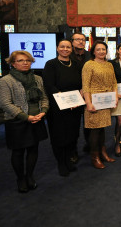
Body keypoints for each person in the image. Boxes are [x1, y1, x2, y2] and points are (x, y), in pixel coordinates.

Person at [0, 51, 49, 193]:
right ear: (13, 63)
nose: (25, 63)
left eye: (28, 60)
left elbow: (44, 98)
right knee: (18, 152)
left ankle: (30, 176)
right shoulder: (6, 80)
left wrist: (43, 111)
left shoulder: (38, 78)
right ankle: (20, 178)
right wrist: (26, 117)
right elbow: (5, 104)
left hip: (37, 119)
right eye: (20, 60)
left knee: (33, 149)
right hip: (17, 121)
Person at [42, 39, 82, 177]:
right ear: (57, 48)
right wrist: (66, 101)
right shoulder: (51, 64)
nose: (65, 49)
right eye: (62, 47)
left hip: (75, 106)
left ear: (71, 49)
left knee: (72, 134)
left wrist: (79, 97)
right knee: (59, 136)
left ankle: (69, 160)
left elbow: (81, 84)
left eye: (68, 47)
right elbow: (49, 85)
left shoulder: (76, 64)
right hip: (58, 107)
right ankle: (61, 162)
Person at [82, 41, 118, 169]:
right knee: (94, 130)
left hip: (106, 100)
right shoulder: (89, 64)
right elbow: (85, 85)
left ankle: (103, 152)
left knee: (102, 129)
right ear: (93, 51)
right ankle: (95, 156)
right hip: (94, 101)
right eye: (98, 49)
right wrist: (88, 102)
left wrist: (115, 97)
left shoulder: (109, 65)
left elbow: (114, 82)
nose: (101, 51)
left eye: (104, 49)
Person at [69, 32, 91, 160]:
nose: (80, 42)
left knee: (89, 122)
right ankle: (73, 150)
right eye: (77, 39)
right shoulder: (67, 54)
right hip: (73, 94)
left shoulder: (89, 55)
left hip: (89, 92)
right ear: (72, 42)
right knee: (74, 124)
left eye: (83, 39)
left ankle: (89, 144)